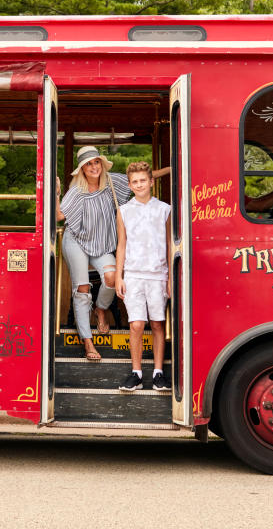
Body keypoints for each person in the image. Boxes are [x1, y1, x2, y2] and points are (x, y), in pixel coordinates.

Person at [58, 146, 129, 361]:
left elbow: (143, 176)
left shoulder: (113, 183)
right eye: (88, 164)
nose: (93, 167)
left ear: (101, 164)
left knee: (111, 277)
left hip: (101, 243)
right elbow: (60, 216)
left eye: (96, 162)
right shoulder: (77, 190)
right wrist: (55, 193)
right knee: (82, 288)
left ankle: (100, 308)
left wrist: (173, 169)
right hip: (76, 241)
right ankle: (88, 342)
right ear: (82, 169)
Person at [114, 160, 171, 392]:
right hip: (134, 274)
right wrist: (119, 276)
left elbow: (169, 243)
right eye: (135, 182)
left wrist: (170, 278)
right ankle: (136, 373)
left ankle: (158, 373)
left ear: (151, 182)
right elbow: (121, 245)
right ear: (130, 184)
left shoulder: (164, 209)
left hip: (158, 274)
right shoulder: (124, 211)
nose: (139, 185)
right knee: (136, 324)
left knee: (157, 323)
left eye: (143, 181)